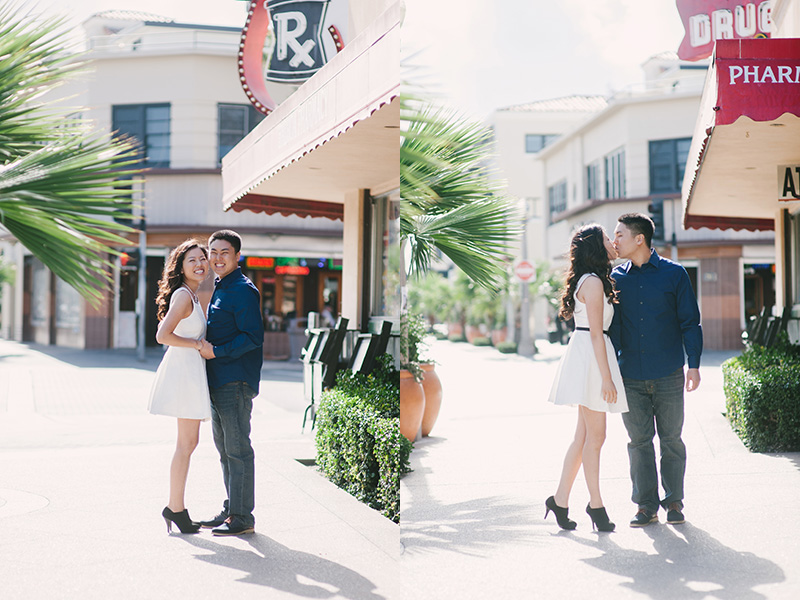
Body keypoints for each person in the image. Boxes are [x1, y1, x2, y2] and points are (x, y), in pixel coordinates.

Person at [609, 213, 702, 528]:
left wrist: (695, 365)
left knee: (671, 439)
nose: (615, 241)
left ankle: (674, 501)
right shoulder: (615, 279)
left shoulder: (674, 274)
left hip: (669, 373)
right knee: (638, 442)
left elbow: (690, 321)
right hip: (629, 376)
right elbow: (611, 330)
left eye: (619, 234)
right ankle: (646, 506)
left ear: (639, 239)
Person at [546, 224, 628, 532]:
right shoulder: (592, 282)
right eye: (608, 238)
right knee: (596, 437)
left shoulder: (592, 280)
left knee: (584, 438)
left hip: (587, 355)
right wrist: (606, 379)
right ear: (597, 246)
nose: (613, 242)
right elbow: (596, 334)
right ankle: (596, 506)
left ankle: (560, 500)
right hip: (592, 357)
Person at [198, 230, 264, 536]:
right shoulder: (222, 287)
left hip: (234, 381)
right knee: (225, 449)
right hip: (218, 380)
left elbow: (253, 337)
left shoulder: (242, 290)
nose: (217, 258)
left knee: (238, 449)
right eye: (213, 252)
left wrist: (217, 351)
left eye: (224, 252)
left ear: (237, 256)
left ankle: (242, 517)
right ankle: (231, 508)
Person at [148, 239, 212, 534]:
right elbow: (163, 334)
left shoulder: (193, 295)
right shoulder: (184, 296)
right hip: (184, 374)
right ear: (181, 267)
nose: (200, 264)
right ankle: (175, 508)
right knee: (186, 445)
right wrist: (197, 343)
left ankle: (176, 507)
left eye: (203, 259)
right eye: (192, 260)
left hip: (189, 372)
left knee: (188, 444)